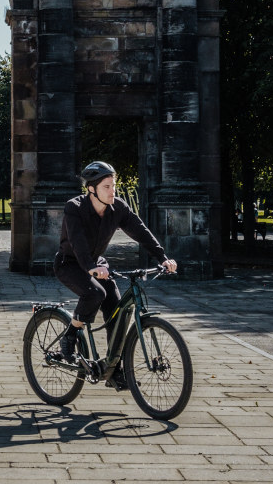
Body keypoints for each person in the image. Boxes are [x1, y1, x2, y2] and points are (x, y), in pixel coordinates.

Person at [53, 161, 177, 389]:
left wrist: (162, 257)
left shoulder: (117, 208)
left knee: (117, 311)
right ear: (92, 189)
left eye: (114, 186)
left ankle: (114, 371)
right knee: (94, 293)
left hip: (97, 264)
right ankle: (70, 335)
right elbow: (78, 244)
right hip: (70, 264)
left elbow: (141, 231)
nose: (113, 191)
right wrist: (91, 267)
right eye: (107, 187)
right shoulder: (74, 208)